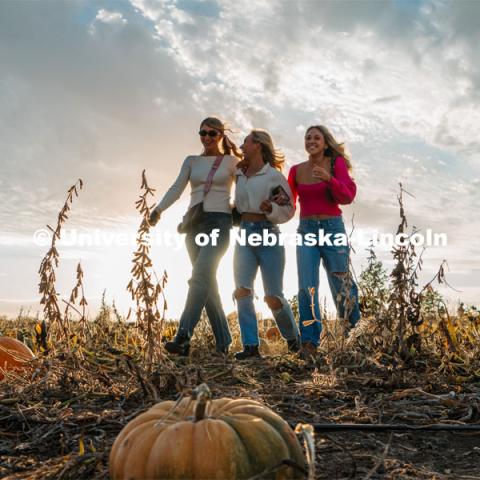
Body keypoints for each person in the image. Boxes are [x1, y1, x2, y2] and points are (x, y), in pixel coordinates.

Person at [149, 117, 242, 355]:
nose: (207, 138)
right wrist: (159, 209)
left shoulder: (232, 162)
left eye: (212, 133)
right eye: (203, 133)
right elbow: (177, 187)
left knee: (199, 277)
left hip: (219, 223)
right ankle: (224, 342)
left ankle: (183, 336)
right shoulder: (191, 161)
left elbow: (245, 192)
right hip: (194, 225)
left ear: (221, 135)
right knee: (207, 282)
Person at [287, 125, 361, 356]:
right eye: (308, 137)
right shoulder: (296, 170)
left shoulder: (334, 163)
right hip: (306, 230)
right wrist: (274, 204)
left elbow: (347, 196)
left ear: (325, 143)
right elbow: (289, 205)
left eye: (316, 137)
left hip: (332, 227)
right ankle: (309, 343)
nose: (311, 141)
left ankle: (356, 337)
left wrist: (330, 179)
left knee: (341, 283)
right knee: (306, 287)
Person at [233, 129, 300, 360]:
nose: (242, 146)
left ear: (258, 145)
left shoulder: (273, 176)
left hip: (268, 234)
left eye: (246, 142)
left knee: (273, 296)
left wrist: (271, 209)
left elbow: (289, 209)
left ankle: (293, 341)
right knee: (242, 290)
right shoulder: (239, 173)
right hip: (244, 234)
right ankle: (251, 346)